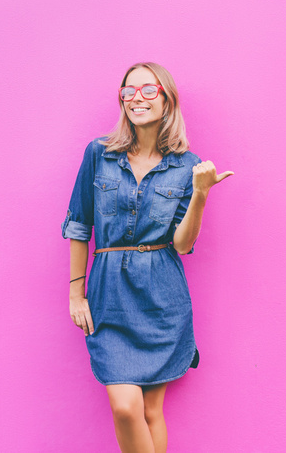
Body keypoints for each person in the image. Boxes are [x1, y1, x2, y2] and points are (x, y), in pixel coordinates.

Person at [61, 62, 233, 452]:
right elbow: (78, 225)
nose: (136, 97)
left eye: (147, 90)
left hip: (162, 296)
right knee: (125, 407)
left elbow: (183, 245)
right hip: (110, 295)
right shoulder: (99, 153)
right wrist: (76, 293)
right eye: (128, 90)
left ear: (167, 99)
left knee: (152, 412)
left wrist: (201, 193)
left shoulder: (188, 166)